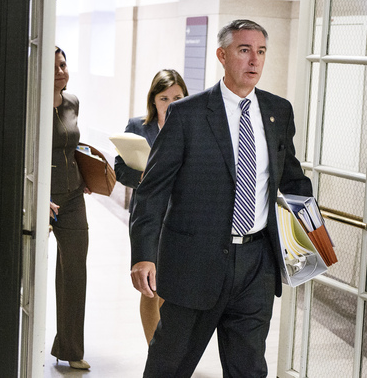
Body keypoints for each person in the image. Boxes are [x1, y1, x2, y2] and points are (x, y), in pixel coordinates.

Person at [129, 19, 313, 377]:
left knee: (249, 370)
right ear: (222, 55)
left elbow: (292, 181)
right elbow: (152, 191)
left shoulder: (278, 112)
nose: (254, 61)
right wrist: (143, 256)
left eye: (260, 52)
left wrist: (312, 241)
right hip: (193, 265)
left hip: (256, 265)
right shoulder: (187, 115)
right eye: (244, 51)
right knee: (169, 365)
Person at [114, 69, 188, 345]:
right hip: (149, 217)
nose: (171, 103)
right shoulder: (138, 127)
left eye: (178, 97)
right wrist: (142, 177)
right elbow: (120, 169)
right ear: (153, 100)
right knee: (151, 287)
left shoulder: (192, 125)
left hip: (181, 217)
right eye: (164, 98)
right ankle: (153, 350)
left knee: (174, 289)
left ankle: (169, 350)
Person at [49, 46, 91, 370]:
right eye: (54, 67)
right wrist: (35, 199)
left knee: (74, 271)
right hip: (41, 197)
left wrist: (89, 172)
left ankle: (71, 348)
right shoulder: (30, 102)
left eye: (64, 65)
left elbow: (71, 143)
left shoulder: (72, 101)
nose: (61, 71)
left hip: (73, 196)